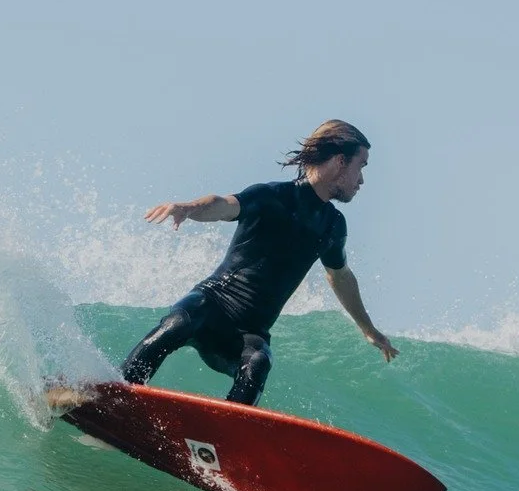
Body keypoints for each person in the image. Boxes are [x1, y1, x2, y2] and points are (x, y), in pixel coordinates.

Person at [123, 119, 398, 407]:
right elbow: (223, 205)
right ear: (341, 161)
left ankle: (225, 439)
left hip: (248, 333)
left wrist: (368, 329)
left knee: (258, 363)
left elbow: (340, 276)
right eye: (361, 166)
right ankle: (119, 393)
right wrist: (189, 208)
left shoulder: (332, 226)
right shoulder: (273, 196)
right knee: (178, 323)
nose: (362, 180)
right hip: (212, 304)